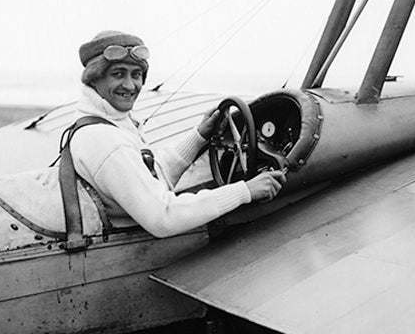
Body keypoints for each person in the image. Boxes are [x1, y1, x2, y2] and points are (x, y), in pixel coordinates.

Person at [66, 30, 286, 238]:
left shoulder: (107, 122)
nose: (130, 85)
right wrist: (245, 191)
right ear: (94, 78)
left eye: (137, 74)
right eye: (118, 74)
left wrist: (199, 136)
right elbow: (164, 216)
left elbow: (151, 176)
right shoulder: (106, 141)